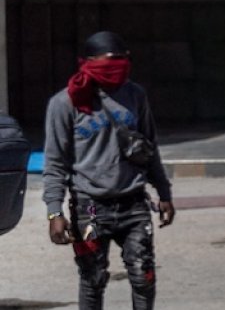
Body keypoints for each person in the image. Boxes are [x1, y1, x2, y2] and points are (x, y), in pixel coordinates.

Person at [42, 31, 173, 310]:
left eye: (123, 60)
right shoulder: (65, 103)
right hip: (89, 208)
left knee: (144, 276)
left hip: (133, 204)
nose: (118, 67)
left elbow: (150, 147)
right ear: (89, 62)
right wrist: (54, 211)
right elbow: (54, 163)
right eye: (111, 61)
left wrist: (164, 192)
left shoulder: (135, 95)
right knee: (93, 279)